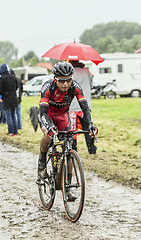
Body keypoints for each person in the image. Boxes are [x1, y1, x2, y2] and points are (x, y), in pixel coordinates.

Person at [38, 62, 97, 199]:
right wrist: (49, 128)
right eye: (62, 81)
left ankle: (68, 186)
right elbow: (43, 113)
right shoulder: (48, 87)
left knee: (68, 147)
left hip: (63, 116)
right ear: (55, 79)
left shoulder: (75, 87)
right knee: (48, 135)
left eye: (68, 80)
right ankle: (42, 163)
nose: (65, 84)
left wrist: (90, 126)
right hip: (48, 115)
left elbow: (85, 109)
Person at [69, 60, 97, 154]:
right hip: (85, 105)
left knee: (72, 129)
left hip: (72, 106)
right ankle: (91, 149)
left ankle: (73, 149)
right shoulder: (86, 71)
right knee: (88, 127)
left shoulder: (70, 73)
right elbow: (91, 85)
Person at [0, 64, 18, 136]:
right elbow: (16, 87)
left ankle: (11, 131)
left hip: (6, 98)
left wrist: (3, 95)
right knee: (14, 114)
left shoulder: (2, 78)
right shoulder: (13, 77)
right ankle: (15, 131)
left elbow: (0, 90)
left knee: (8, 115)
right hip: (14, 98)